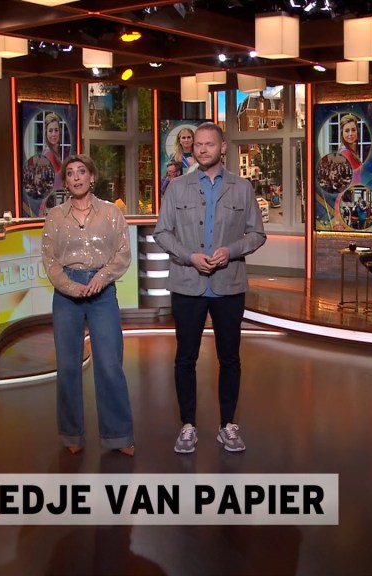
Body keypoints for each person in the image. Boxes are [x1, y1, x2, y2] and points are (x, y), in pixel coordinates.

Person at [154, 122, 267, 453]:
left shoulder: (242, 188)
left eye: (209, 144)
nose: (202, 149)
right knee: (185, 358)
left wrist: (230, 251)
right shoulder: (177, 188)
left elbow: (257, 234)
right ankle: (187, 425)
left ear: (223, 147)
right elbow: (162, 233)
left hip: (228, 285)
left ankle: (227, 426)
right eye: (198, 144)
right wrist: (189, 256)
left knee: (229, 358)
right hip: (187, 285)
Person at [42, 154, 135, 456]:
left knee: (109, 364)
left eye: (82, 171)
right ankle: (71, 434)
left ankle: (119, 435)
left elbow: (123, 253)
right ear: (66, 182)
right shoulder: (55, 216)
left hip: (102, 292)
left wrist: (102, 278)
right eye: (70, 173)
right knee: (68, 366)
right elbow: (50, 261)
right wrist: (71, 287)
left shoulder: (111, 213)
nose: (76, 177)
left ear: (92, 177)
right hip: (66, 294)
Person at [41, 112, 65, 192]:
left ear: (59, 132)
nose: (54, 134)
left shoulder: (54, 152)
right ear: (46, 133)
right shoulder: (48, 155)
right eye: (50, 131)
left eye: (56, 130)